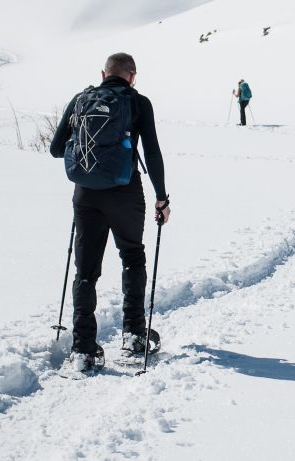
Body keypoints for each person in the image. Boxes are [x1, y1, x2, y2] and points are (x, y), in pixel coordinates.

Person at [49, 52, 171, 371]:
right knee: (132, 255)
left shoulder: (81, 99)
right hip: (125, 192)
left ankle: (83, 349)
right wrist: (161, 198)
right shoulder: (138, 102)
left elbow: (56, 149)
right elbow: (152, 152)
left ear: (103, 74)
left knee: (85, 271)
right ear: (133, 76)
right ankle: (134, 335)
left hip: (85, 193)